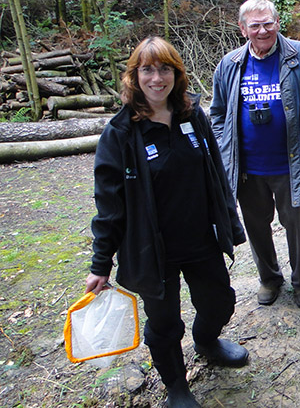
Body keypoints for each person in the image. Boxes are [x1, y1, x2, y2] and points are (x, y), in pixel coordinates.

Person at [85, 37, 249, 408]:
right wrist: (100, 263)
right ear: (134, 76)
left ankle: (206, 342)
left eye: (165, 69)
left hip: (201, 239)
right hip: (151, 249)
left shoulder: (193, 116)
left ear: (177, 74)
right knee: (164, 322)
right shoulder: (121, 133)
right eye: (147, 70)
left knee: (219, 303)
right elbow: (108, 204)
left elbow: (216, 177)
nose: (157, 78)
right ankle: (176, 385)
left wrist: (230, 223)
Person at [210, 0, 300, 309]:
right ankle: (269, 278)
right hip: (247, 168)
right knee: (256, 228)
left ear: (278, 23)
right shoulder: (229, 65)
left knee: (298, 227)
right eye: (255, 25)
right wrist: (224, 151)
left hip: (292, 164)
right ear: (243, 29)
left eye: (268, 23)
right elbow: (217, 115)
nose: (263, 30)